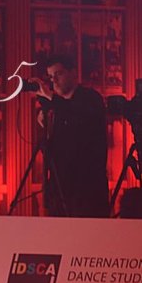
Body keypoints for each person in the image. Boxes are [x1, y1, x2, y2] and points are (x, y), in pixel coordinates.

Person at [29, 55, 110, 218]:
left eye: (58, 74)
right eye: (50, 77)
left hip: (87, 190)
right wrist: (46, 127)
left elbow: (79, 119)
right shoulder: (55, 108)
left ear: (73, 73)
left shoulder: (91, 98)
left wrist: (51, 98)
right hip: (60, 189)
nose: (54, 81)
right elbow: (52, 150)